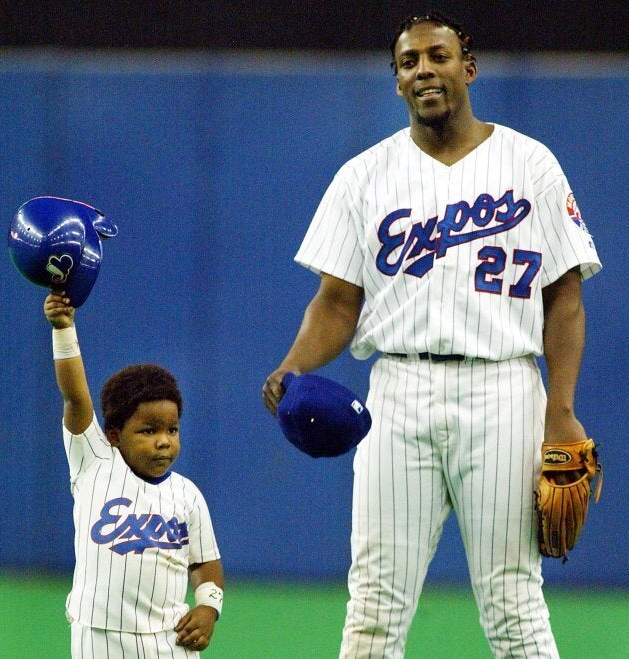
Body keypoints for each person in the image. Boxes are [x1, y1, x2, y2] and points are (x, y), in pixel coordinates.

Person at [262, 10, 601, 658]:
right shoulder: (364, 176)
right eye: (409, 61)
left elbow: (565, 300)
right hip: (400, 389)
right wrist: (292, 365)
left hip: (504, 387)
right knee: (374, 607)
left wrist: (561, 410)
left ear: (467, 67)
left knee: (514, 606)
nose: (424, 69)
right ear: (396, 82)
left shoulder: (531, 165)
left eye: (437, 56)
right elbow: (337, 302)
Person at [44, 291, 224, 658]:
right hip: (97, 638)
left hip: (169, 641)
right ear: (114, 436)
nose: (163, 442)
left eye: (172, 430)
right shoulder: (94, 463)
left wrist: (208, 607)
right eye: (148, 431)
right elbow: (76, 398)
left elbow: (204, 561)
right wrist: (64, 329)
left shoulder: (187, 494)